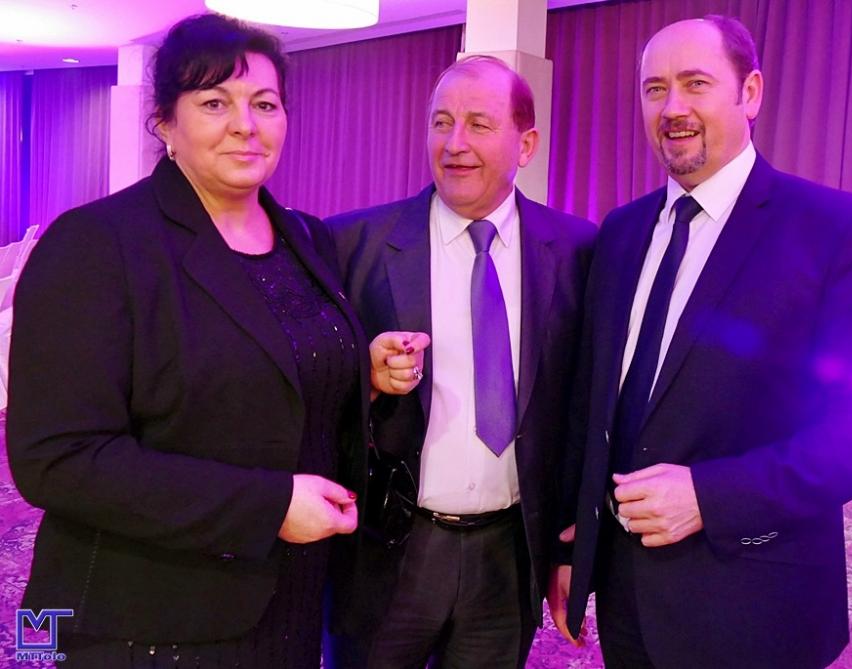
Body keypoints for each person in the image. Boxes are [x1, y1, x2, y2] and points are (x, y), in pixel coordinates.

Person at [6, 13, 425, 668]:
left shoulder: (307, 239)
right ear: (164, 122)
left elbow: (270, 377)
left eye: (265, 104)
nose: (245, 125)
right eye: (214, 103)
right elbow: (56, 459)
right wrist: (268, 507)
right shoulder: (97, 244)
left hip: (290, 603)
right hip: (143, 616)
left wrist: (359, 375)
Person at [548, 15, 852, 669]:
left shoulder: (835, 230)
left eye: (696, 83)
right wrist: (572, 544)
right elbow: (593, 402)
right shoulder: (622, 231)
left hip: (756, 604)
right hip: (628, 599)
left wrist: (710, 497)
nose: (673, 107)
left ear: (750, 93)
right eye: (655, 88)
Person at [326, 55, 596, 668]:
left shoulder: (576, 251)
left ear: (526, 144)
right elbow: (308, 389)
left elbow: (581, 406)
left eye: (478, 124)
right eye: (441, 122)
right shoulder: (352, 245)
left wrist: (568, 545)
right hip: (389, 550)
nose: (454, 143)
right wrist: (367, 378)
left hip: (509, 555)